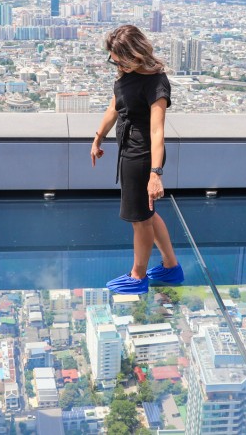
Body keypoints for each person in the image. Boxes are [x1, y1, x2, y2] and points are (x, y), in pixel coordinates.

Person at [91, 25, 184, 294]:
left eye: (118, 58)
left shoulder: (156, 83)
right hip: (128, 149)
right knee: (148, 213)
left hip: (143, 155)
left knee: (140, 219)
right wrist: (98, 138)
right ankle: (170, 266)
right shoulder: (125, 74)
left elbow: (157, 130)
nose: (114, 63)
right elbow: (114, 106)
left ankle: (137, 276)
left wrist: (156, 173)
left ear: (134, 55)